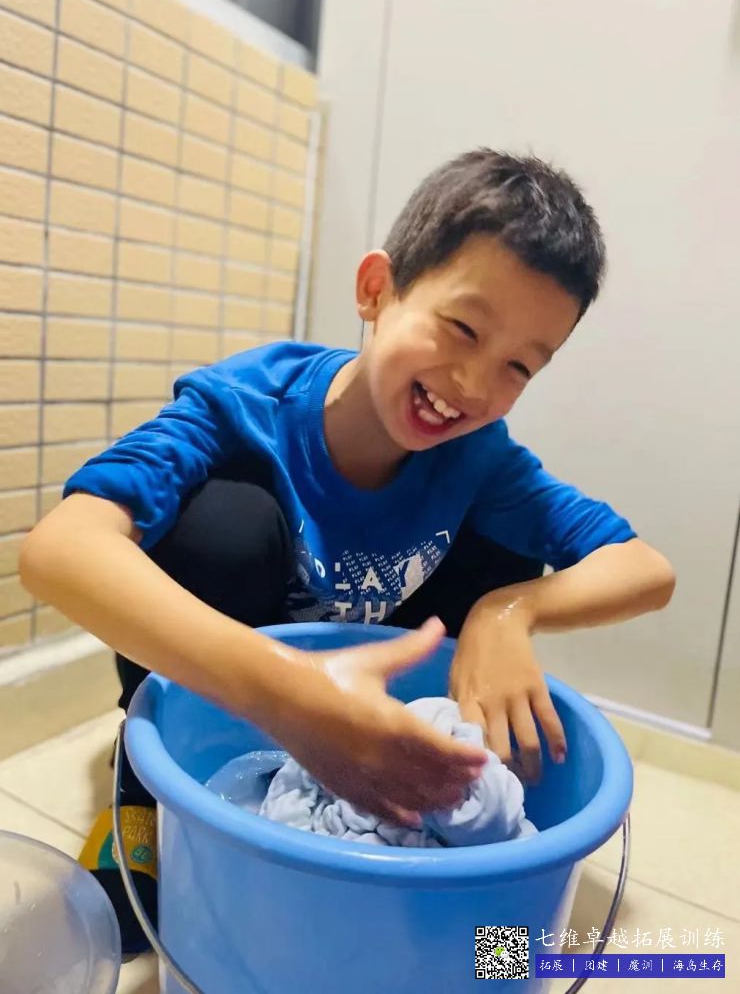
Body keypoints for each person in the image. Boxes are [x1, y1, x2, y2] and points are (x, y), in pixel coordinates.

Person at [20, 149, 675, 949]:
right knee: (221, 524)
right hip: (233, 692)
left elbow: (646, 569)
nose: (472, 384)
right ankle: (142, 787)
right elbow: (59, 550)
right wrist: (290, 695)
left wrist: (508, 613)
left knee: (509, 549)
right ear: (376, 290)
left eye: (517, 366)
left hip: (376, 681)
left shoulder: (480, 458)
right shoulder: (246, 404)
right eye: (462, 328)